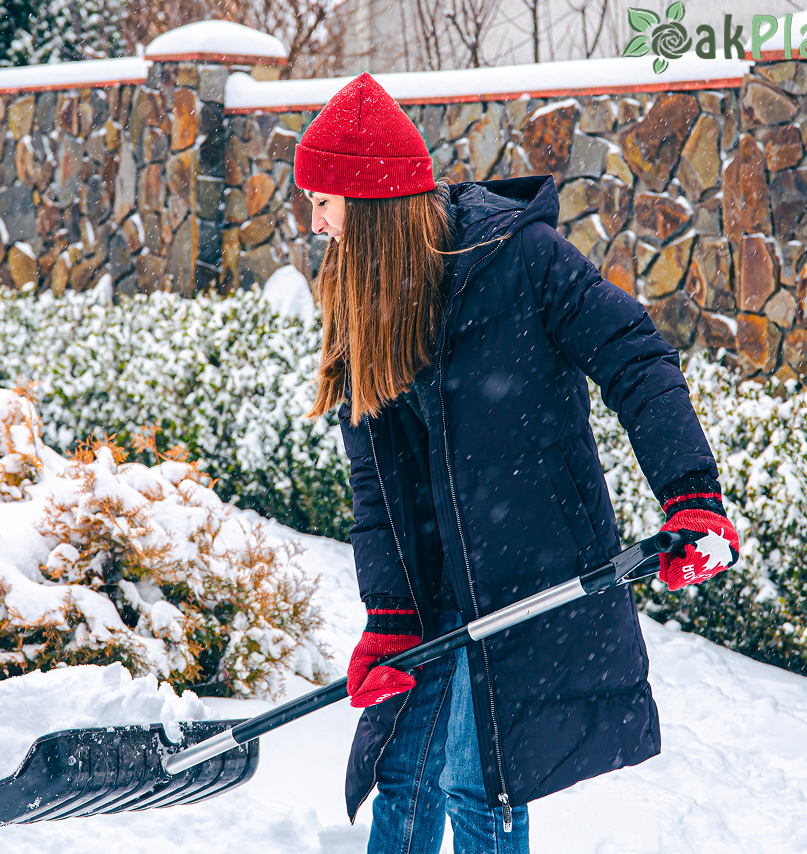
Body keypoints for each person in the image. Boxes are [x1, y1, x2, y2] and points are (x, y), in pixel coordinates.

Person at [293, 73, 740, 854]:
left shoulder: (521, 259)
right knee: (401, 773)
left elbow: (634, 355)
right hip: (434, 587)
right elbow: (380, 488)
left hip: (526, 571)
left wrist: (690, 495)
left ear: (366, 210)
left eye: (323, 203)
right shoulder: (359, 295)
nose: (314, 223)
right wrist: (390, 615)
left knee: (478, 782)